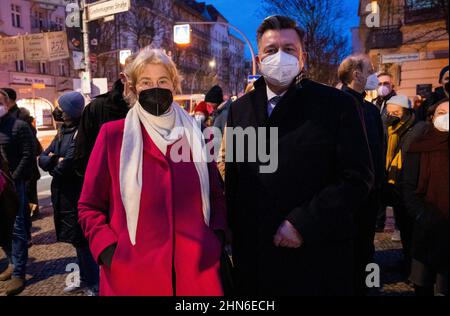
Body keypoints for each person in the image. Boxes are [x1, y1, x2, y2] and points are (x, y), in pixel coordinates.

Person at [225, 15, 374, 296]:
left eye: (289, 49)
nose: (280, 56)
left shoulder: (336, 105)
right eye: (271, 50)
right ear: (258, 59)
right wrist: (233, 227)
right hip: (255, 257)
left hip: (315, 257)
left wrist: (303, 222)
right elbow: (237, 174)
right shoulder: (241, 109)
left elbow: (357, 178)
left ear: (302, 58)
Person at [78, 48, 228, 296]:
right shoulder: (113, 136)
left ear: (173, 86)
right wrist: (108, 250)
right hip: (131, 275)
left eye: (162, 81)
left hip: (196, 272)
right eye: (146, 82)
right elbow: (88, 206)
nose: (154, 88)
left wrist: (216, 238)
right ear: (134, 88)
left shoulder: (196, 136)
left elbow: (215, 194)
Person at [38, 92, 99, 295]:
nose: (58, 110)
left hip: (76, 193)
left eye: (61, 107)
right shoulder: (63, 130)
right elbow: (43, 157)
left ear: (70, 110)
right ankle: (84, 278)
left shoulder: (81, 132)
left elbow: (66, 166)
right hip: (62, 194)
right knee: (75, 240)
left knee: (83, 242)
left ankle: (95, 285)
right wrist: (56, 160)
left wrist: (55, 161)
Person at [338, 54, 385, 295]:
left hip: (370, 196)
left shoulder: (371, 111)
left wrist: (378, 188)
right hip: (345, 198)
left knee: (366, 251)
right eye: (370, 70)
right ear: (356, 74)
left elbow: (379, 151)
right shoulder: (335, 106)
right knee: (346, 252)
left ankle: (365, 289)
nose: (374, 75)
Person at [402, 98, 448, 296]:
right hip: (427, 227)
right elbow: (408, 187)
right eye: (441, 113)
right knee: (423, 284)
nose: (446, 118)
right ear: (431, 117)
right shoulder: (419, 145)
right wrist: (422, 216)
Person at [382, 95, 427, 273]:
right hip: (395, 185)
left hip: (411, 185)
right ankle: (407, 260)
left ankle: (415, 268)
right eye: (389, 112)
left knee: (414, 230)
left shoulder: (418, 128)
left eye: (396, 112)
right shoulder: (389, 129)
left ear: (407, 113)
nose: (391, 115)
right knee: (404, 228)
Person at [74, 55, 136, 178]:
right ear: (123, 78)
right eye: (137, 79)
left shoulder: (155, 109)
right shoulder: (97, 108)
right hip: (108, 190)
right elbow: (82, 157)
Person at [0, 89, 35, 295]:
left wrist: (13, 178)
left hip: (14, 186)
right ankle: (12, 263)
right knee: (3, 228)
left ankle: (18, 273)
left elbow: (29, 154)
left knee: (17, 229)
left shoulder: (19, 126)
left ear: (6, 103)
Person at [1, 88, 42, 220]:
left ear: (9, 102)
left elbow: (29, 150)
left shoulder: (21, 119)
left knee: (22, 210)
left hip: (20, 173)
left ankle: (29, 224)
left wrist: (15, 175)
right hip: (7, 175)